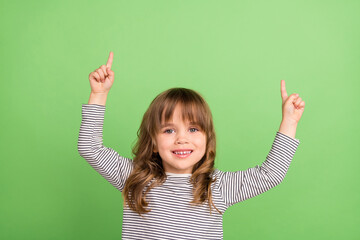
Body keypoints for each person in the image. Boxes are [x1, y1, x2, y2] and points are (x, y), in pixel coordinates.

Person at [77, 51, 305, 239]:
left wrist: (290, 121)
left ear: (207, 139)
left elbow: (270, 174)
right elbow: (89, 147)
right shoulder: (134, 177)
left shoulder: (218, 187)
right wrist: (99, 94)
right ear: (154, 143)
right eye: (169, 130)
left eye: (193, 129)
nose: (182, 138)